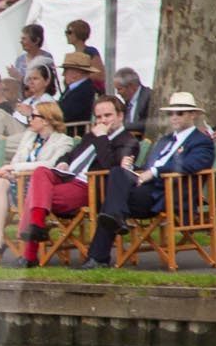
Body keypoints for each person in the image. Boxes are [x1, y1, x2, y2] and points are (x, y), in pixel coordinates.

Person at [81, 92, 216, 268]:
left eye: (180, 113)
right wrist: (133, 169)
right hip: (147, 190)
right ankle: (109, 232)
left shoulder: (201, 141)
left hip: (167, 194)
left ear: (193, 114)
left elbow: (188, 165)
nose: (174, 117)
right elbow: (147, 166)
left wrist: (153, 172)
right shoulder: (165, 140)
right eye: (171, 113)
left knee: (112, 202)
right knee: (118, 172)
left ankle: (98, 256)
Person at [15, 93, 135, 267]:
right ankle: (36, 232)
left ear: (120, 116)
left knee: (35, 194)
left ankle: (30, 253)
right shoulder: (90, 136)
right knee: (40, 172)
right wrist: (63, 162)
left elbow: (112, 167)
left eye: (107, 116)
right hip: (65, 177)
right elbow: (69, 155)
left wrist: (102, 137)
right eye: (99, 116)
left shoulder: (128, 141)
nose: (102, 121)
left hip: (87, 186)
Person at [0, 101, 70, 263]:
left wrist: (15, 168)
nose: (30, 120)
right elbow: (15, 160)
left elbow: (50, 165)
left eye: (34, 116)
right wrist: (11, 172)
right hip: (17, 185)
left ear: (46, 119)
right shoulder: (29, 136)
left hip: (39, 191)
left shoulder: (63, 141)